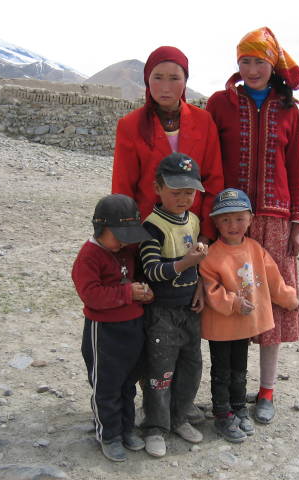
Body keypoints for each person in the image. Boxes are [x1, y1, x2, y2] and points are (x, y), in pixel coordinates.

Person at [206, 27, 299, 425]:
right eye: (244, 61)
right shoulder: (220, 103)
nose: (251, 69)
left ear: (272, 64)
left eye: (259, 61)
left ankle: (266, 390)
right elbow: (211, 159)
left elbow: (296, 169)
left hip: (277, 221)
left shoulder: (290, 110)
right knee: (232, 302)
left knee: (272, 307)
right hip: (230, 220)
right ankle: (229, 393)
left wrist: (298, 222)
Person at [200, 188, 299, 442]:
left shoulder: (255, 249)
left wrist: (289, 299)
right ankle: (222, 414)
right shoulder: (211, 256)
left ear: (250, 219)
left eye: (239, 218)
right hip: (221, 327)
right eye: (225, 219)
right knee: (221, 371)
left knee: (240, 370)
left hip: (243, 327)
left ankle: (239, 408)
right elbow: (210, 290)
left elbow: (274, 280)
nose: (233, 225)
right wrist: (233, 303)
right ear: (215, 222)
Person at [112, 45, 224, 243]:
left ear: (185, 81)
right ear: (147, 79)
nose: (165, 87)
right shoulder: (130, 125)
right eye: (158, 77)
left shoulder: (203, 122)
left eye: (174, 78)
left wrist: (206, 234)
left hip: (193, 231)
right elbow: (123, 187)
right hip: (148, 232)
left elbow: (213, 179)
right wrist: (128, 241)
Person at [71, 194, 153, 463]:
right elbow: (92, 295)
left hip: (132, 327)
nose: (124, 241)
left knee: (128, 384)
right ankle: (109, 435)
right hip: (104, 333)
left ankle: (126, 429)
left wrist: (144, 291)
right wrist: (128, 293)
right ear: (99, 228)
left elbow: (134, 278)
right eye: (118, 235)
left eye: (128, 236)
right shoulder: (89, 257)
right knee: (107, 385)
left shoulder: (125, 250)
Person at [138, 153, 209, 457]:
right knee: (160, 371)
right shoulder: (151, 227)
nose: (183, 198)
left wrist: (200, 286)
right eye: (176, 191)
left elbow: (196, 264)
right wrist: (186, 262)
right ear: (158, 188)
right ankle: (156, 427)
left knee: (191, 366)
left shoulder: (192, 220)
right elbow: (152, 270)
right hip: (161, 314)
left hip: (189, 312)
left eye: (189, 192)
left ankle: (178, 417)